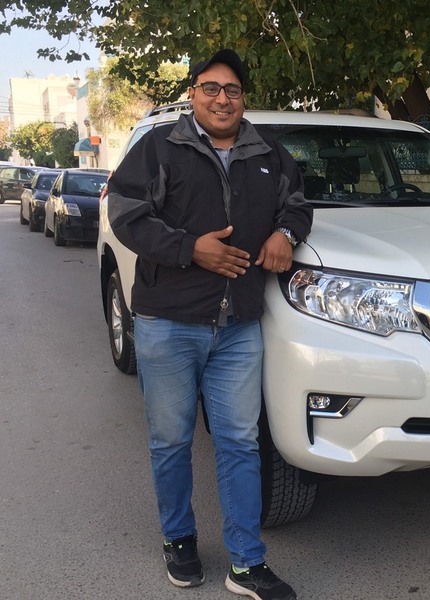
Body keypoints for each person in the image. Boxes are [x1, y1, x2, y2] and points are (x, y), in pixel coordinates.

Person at [107, 48, 312, 600]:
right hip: (168, 322)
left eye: (233, 90)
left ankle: (246, 563)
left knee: (240, 443)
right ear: (193, 93)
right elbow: (124, 211)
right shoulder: (159, 147)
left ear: (243, 98)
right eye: (211, 88)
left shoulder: (268, 152)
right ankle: (178, 539)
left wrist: (285, 234)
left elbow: (298, 203)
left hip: (240, 324)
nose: (222, 99)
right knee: (171, 440)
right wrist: (188, 248)